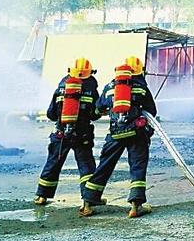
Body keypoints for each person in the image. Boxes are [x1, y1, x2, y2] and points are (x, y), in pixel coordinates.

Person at [80, 56, 157, 219]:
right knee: (137, 166)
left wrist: (108, 109)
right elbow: (152, 110)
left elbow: (98, 109)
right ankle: (136, 206)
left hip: (115, 133)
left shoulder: (110, 87)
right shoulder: (141, 87)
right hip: (136, 133)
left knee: (104, 166)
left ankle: (88, 203)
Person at [34, 57, 100, 205]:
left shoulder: (60, 88)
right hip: (82, 135)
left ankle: (42, 196)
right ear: (90, 73)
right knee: (86, 166)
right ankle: (88, 200)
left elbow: (51, 114)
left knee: (53, 163)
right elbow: (95, 115)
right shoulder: (91, 90)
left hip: (61, 134)